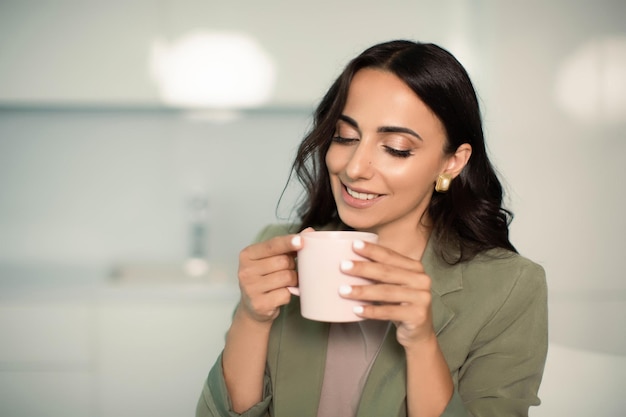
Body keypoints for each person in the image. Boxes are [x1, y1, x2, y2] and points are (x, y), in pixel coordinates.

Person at [196, 40, 548, 417]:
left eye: (396, 148)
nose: (354, 168)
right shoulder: (278, 249)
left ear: (451, 163)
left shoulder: (510, 287)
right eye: (345, 137)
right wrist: (253, 318)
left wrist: (421, 341)